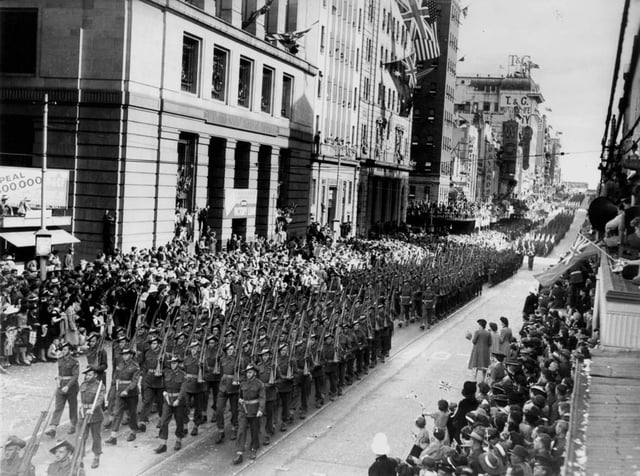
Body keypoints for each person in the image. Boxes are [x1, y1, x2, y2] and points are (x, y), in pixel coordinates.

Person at [105, 347, 142, 445]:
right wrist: (114, 389)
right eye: (123, 354)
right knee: (117, 413)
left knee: (131, 413)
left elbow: (135, 381)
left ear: (131, 355)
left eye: (127, 354)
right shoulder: (120, 364)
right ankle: (113, 437)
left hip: (131, 393)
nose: (124, 356)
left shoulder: (135, 366)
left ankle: (133, 431)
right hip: (119, 392)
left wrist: (127, 390)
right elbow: (115, 377)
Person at [45, 342, 79, 438]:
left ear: (70, 351)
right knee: (58, 406)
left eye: (65, 350)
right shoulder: (60, 360)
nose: (63, 352)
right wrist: (57, 378)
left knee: (73, 406)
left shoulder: (74, 361)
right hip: (61, 386)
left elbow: (75, 376)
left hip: (71, 387)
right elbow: (59, 372)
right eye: (62, 350)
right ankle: (53, 427)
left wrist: (68, 386)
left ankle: (73, 424)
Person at [233, 363, 265, 464]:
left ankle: (253, 449)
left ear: (254, 373)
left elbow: (262, 398)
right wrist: (240, 402)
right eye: (247, 372)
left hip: (254, 411)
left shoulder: (259, 384)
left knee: (254, 430)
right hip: (243, 411)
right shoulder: (242, 383)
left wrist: (260, 409)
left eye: (250, 372)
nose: (248, 374)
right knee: (241, 430)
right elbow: (240, 396)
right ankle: (239, 453)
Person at [155, 356, 186, 454]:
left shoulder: (182, 375)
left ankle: (178, 440)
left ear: (178, 363)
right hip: (168, 400)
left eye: (175, 363)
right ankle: (163, 444)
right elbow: (163, 386)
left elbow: (183, 389)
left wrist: (179, 399)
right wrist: (165, 394)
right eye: (172, 363)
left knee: (179, 421)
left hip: (178, 401)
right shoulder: (167, 373)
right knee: (163, 421)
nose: (173, 365)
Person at [78, 366, 105, 469]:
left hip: (95, 415)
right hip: (83, 414)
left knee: (96, 437)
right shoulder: (83, 384)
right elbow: (80, 398)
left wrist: (92, 409)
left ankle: (96, 457)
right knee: (81, 436)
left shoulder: (100, 386)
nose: (87, 377)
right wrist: (81, 408)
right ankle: (80, 458)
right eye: (86, 375)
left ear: (95, 375)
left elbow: (100, 399)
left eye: (89, 375)